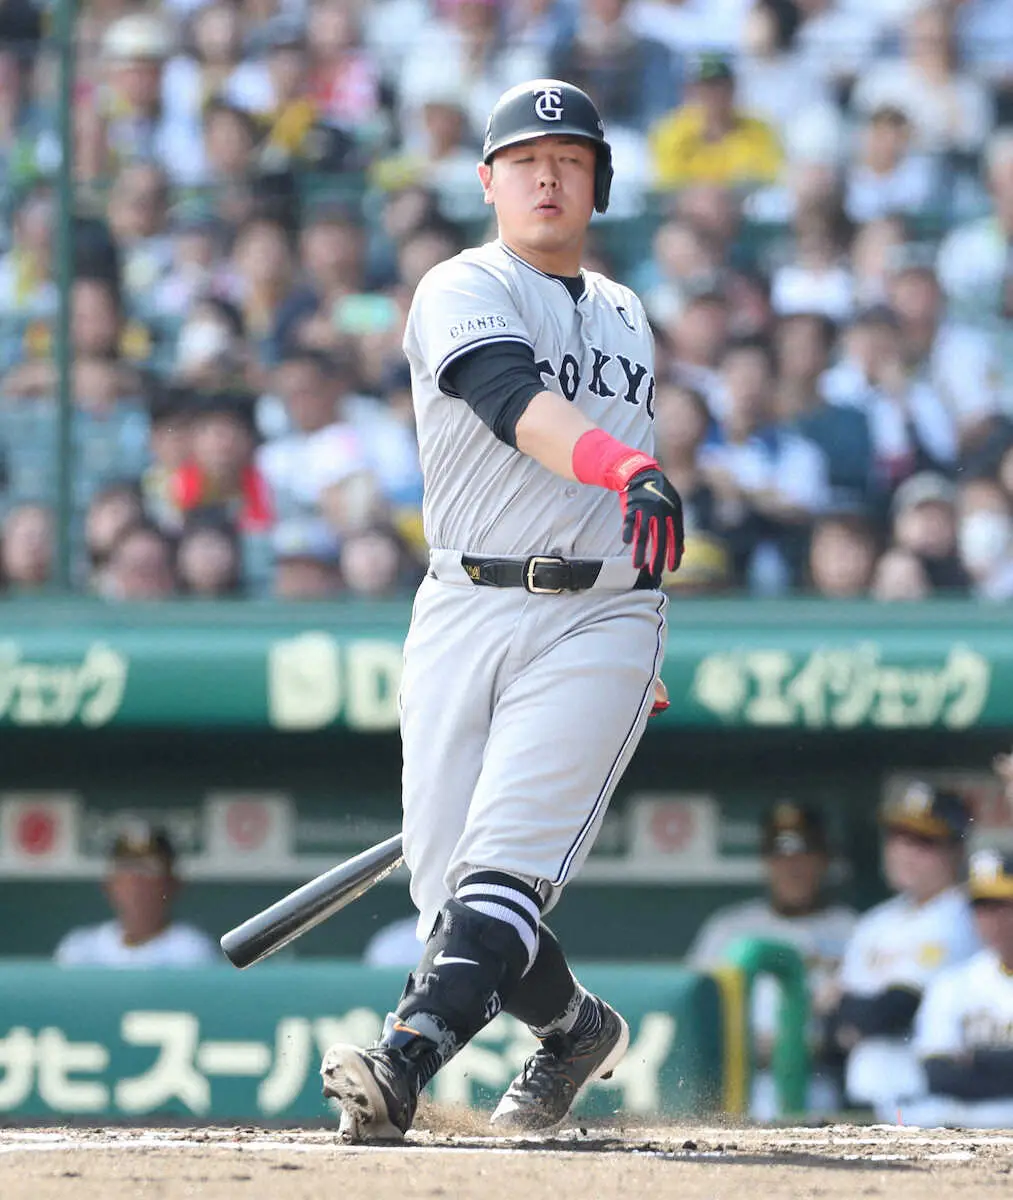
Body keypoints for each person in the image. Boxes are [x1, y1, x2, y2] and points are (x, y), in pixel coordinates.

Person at [319, 79, 684, 1142]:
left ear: (598, 185)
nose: (547, 177)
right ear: (487, 181)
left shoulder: (626, 312)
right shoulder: (459, 284)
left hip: (601, 619)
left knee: (501, 871)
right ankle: (574, 1029)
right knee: (451, 903)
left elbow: (602, 480)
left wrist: (623, 660)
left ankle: (401, 1063)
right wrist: (626, 467)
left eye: (569, 161)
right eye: (525, 160)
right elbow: (508, 399)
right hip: (462, 605)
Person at [688, 803, 857, 1118]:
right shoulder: (728, 927)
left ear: (824, 860)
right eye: (781, 857)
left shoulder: (852, 929)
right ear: (766, 862)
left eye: (804, 855)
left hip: (817, 1082)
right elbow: (695, 1011)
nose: (793, 868)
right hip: (737, 1083)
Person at [831, 781, 980, 1120]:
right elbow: (832, 1021)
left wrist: (847, 1008)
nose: (905, 852)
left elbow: (894, 1010)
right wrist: (850, 1013)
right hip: (863, 1099)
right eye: (898, 837)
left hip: (928, 1104)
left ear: (957, 850)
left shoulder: (963, 916)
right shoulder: (874, 922)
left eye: (924, 841)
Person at [905, 849, 1013, 1128]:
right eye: (982, 906)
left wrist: (978, 1059)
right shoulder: (952, 984)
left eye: (1003, 904)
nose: (993, 919)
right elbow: (939, 1076)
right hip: (967, 1134)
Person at [54, 824, 218, 967]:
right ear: (108, 884)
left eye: (149, 869)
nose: (136, 881)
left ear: (173, 884)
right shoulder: (80, 948)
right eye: (126, 868)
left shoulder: (192, 951)